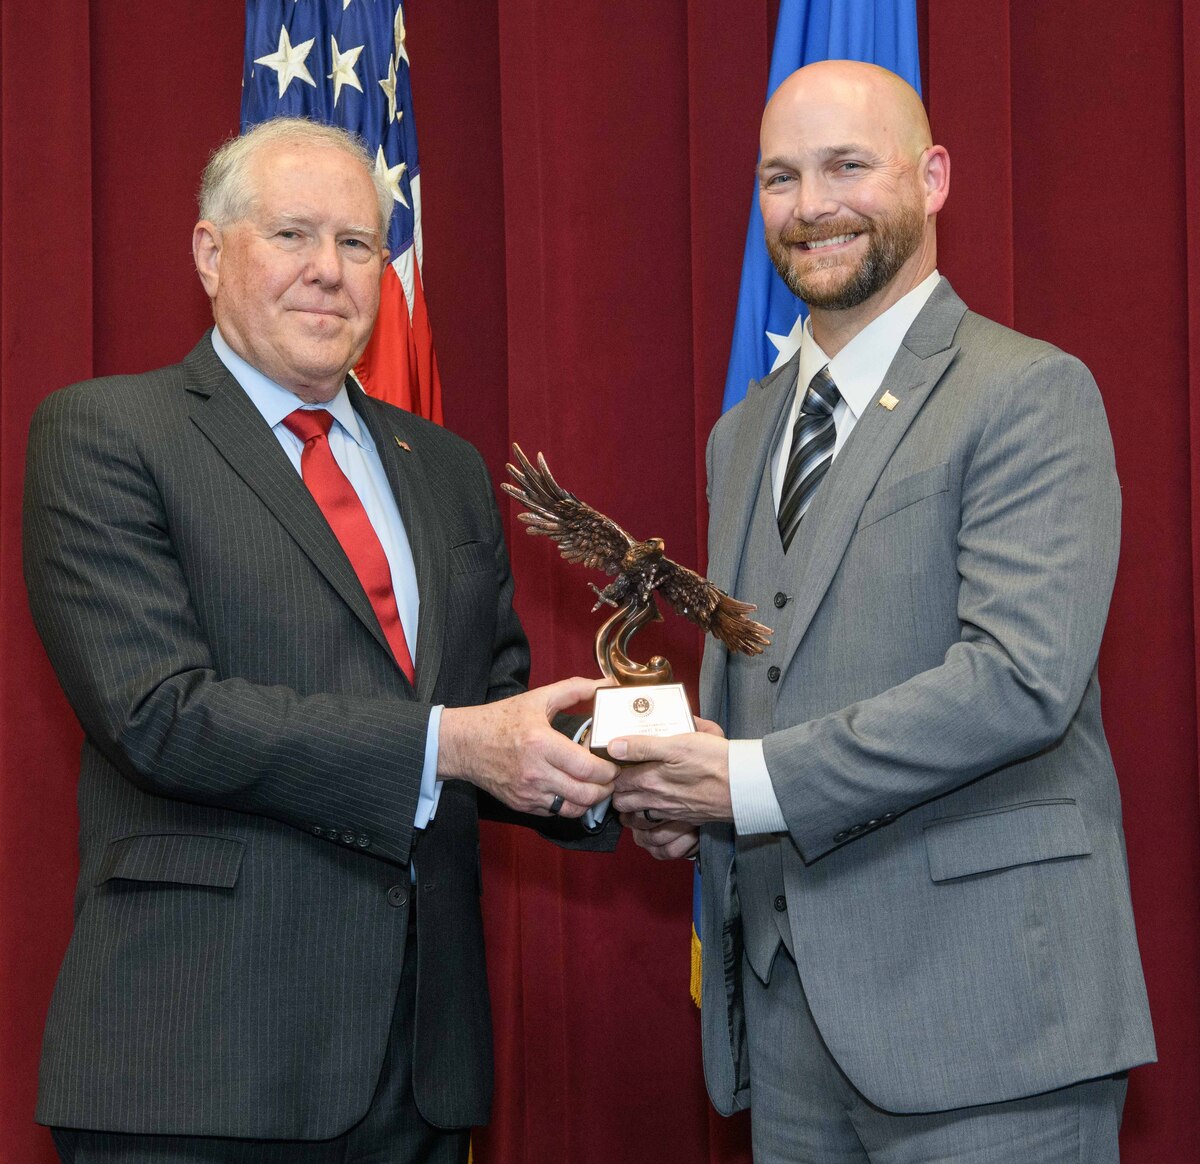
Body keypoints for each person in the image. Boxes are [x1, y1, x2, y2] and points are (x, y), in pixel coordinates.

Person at [23, 117, 619, 1164]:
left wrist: (620, 776)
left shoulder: (443, 467)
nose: (328, 273)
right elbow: (160, 714)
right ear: (211, 253)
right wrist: (451, 747)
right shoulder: (107, 435)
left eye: (355, 245)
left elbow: (496, 701)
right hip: (199, 1063)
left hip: (418, 1069)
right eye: (293, 234)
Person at [612, 60, 1155, 1161]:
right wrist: (690, 792)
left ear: (934, 176)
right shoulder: (742, 436)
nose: (812, 206)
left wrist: (747, 784)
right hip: (790, 1028)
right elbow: (769, 675)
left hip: (990, 1027)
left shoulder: (1028, 392)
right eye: (780, 177)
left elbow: (1018, 682)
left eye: (847, 165)